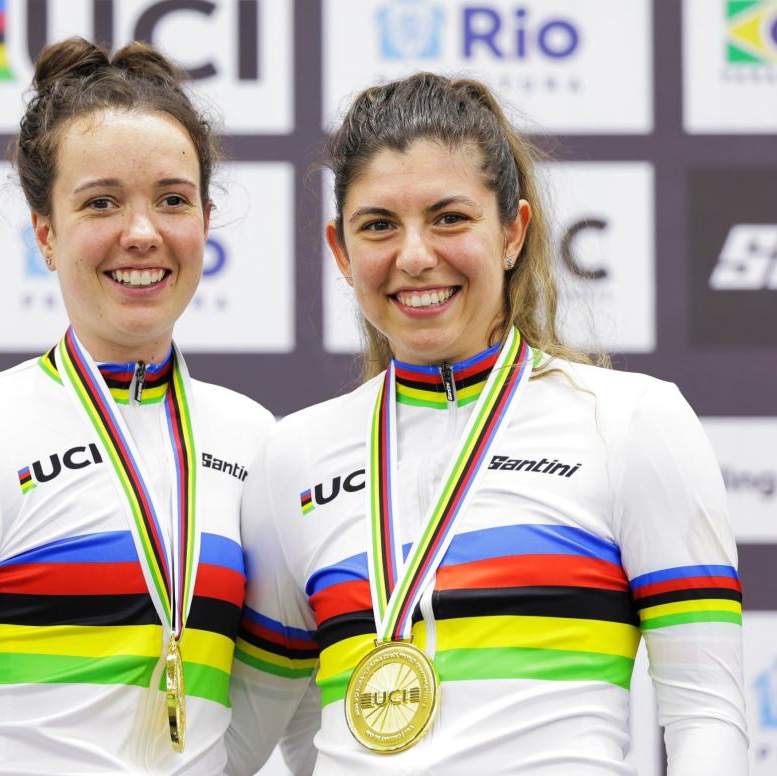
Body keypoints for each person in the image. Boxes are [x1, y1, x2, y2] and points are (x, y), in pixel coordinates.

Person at [224, 73, 747, 775]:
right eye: (378, 225)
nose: (414, 255)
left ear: (512, 233)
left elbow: (705, 716)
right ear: (341, 252)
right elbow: (257, 730)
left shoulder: (629, 423)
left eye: (448, 218)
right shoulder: (293, 455)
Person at [0, 38, 277, 775]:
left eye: (171, 199)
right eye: (101, 202)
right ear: (46, 233)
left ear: (205, 221)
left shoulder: (257, 440)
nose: (141, 232)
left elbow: (274, 711)